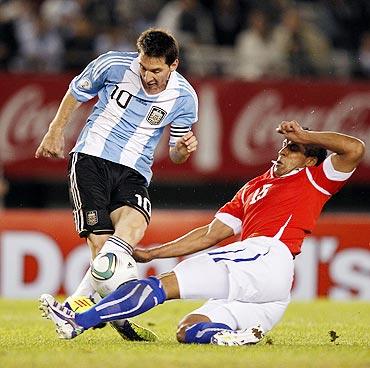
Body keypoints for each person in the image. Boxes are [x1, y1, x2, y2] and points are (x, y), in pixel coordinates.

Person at [39, 121, 365, 346]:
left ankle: (78, 321)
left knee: (161, 286)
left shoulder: (314, 180)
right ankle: (227, 338)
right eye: (285, 144)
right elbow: (211, 233)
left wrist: (307, 135)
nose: (283, 150)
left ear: (308, 159)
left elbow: (354, 148)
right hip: (269, 291)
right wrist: (153, 253)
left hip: (266, 255)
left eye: (293, 148)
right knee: (188, 329)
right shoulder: (253, 187)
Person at [35, 28, 198, 341]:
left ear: (173, 65)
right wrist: (55, 130)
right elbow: (76, 92)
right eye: (143, 67)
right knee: (101, 244)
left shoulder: (185, 98)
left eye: (156, 70)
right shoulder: (113, 65)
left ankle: (73, 308)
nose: (148, 76)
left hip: (134, 171)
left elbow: (177, 152)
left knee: (129, 234)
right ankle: (116, 319)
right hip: (90, 159)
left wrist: (183, 149)